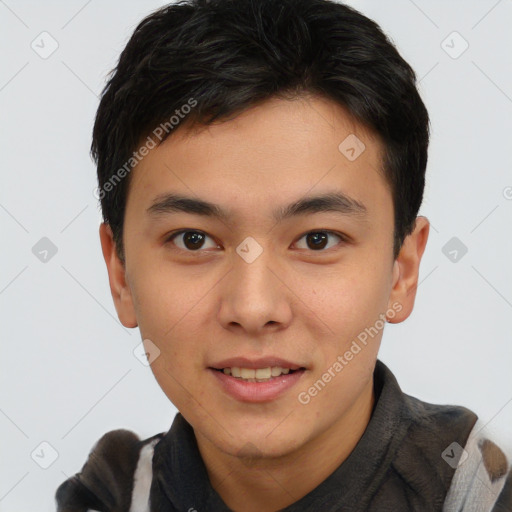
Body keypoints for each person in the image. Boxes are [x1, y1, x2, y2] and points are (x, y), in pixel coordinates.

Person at [55, 0, 512, 510]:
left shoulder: (485, 491)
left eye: (317, 239)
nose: (253, 309)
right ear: (120, 274)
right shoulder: (110, 496)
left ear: (401, 272)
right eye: (193, 240)